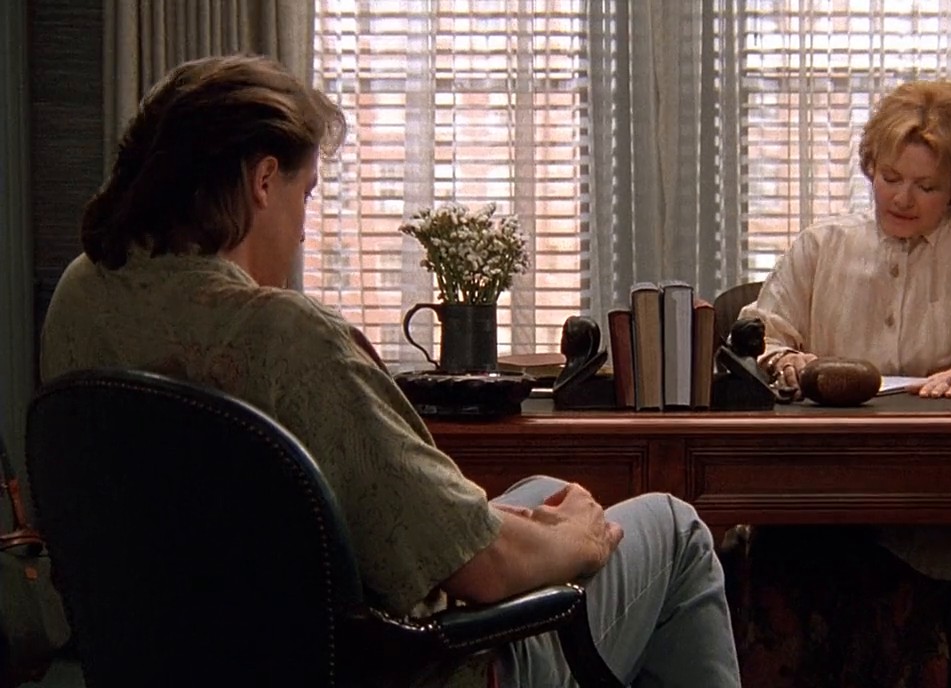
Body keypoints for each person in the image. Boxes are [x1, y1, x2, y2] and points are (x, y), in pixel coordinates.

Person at [40, 54, 741, 688]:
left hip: (185, 657)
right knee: (673, 528)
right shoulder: (285, 338)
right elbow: (484, 568)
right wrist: (576, 542)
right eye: (306, 194)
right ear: (263, 181)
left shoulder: (83, 295)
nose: (304, 227)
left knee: (541, 496)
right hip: (414, 666)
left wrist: (534, 527)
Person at [733, 80, 951, 687]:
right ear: (871, 167)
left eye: (926, 186)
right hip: (820, 487)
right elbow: (760, 340)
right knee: (791, 559)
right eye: (890, 178)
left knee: (889, 577)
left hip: (932, 489)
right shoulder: (824, 245)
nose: (903, 198)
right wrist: (794, 366)